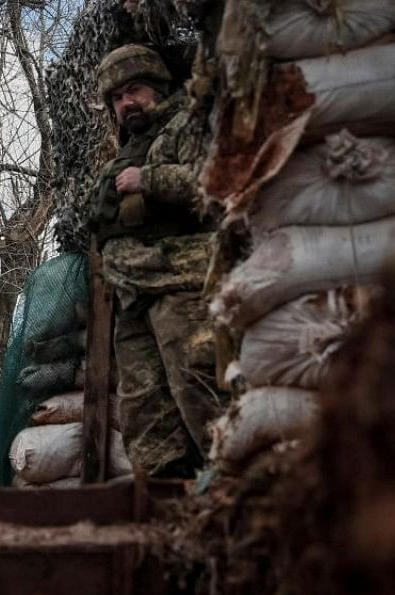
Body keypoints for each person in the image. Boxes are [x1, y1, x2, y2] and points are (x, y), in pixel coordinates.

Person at [86, 44, 221, 477]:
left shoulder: (187, 124)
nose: (128, 103)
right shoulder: (128, 149)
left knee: (202, 394)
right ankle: (165, 505)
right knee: (146, 416)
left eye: (135, 90)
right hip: (133, 297)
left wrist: (150, 179)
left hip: (182, 285)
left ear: (159, 87)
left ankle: (237, 491)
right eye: (117, 98)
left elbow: (215, 184)